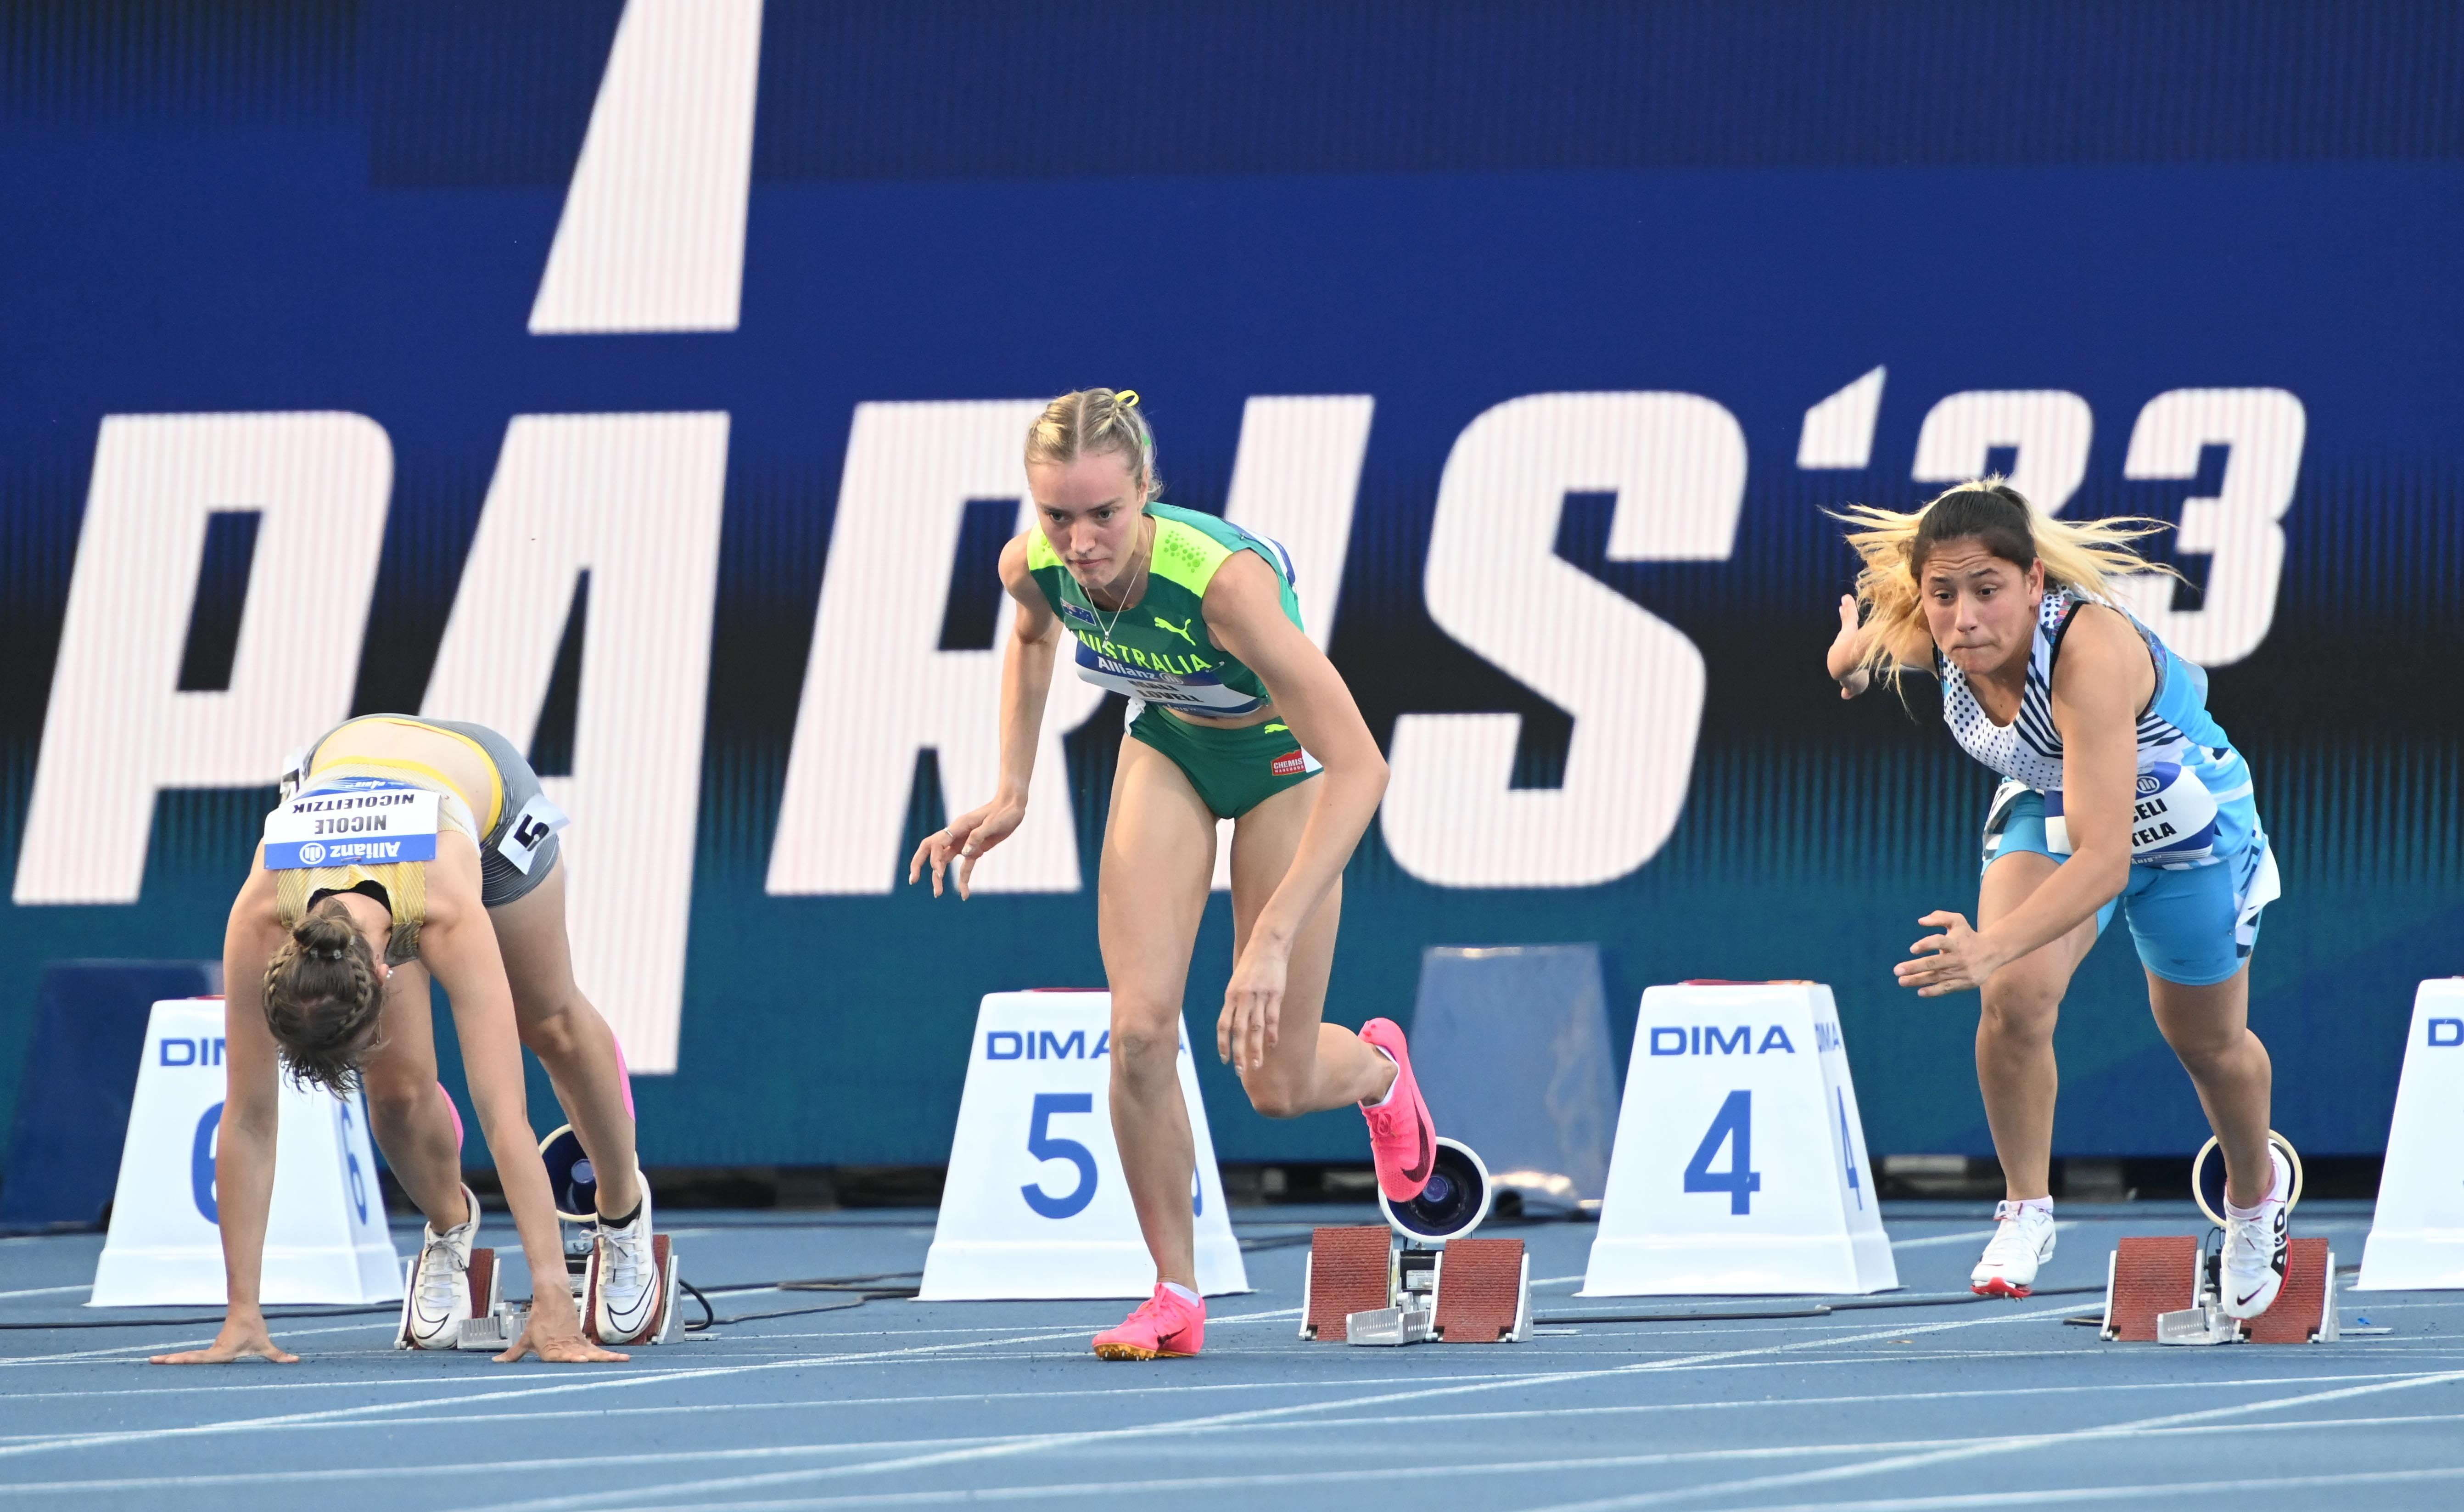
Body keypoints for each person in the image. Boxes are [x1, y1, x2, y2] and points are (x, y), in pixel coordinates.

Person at [911, 388, 1436, 1360]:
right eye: (1056, 516)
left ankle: (1379, 1072)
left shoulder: (1223, 587)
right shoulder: (1033, 566)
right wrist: (1014, 787)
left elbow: (1362, 766)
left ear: (1144, 493)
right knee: (1140, 1032)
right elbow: (1030, 637)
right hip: (1169, 749)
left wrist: (1268, 936)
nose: (1079, 542)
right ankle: (1173, 1293)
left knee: (1273, 1082)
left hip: (1286, 767)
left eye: (1103, 515)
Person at [1826, 479, 2289, 1314]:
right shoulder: (1939, 632)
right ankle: (2027, 1207)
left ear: (2035, 583)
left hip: (2183, 823)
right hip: (2052, 802)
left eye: (1987, 591)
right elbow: (1854, 656)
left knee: (2208, 1044)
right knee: (2015, 995)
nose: (1965, 618)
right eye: (1943, 595)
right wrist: (1849, 665)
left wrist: (1989, 943)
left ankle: (2255, 1202)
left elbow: (2107, 861)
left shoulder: (2089, 649)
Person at [153, 714, 659, 1366]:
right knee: (393, 1090)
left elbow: (506, 1119)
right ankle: (451, 1225)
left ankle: (621, 1210)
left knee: (549, 1022)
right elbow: (248, 1118)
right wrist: (242, 1315)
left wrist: (552, 1298)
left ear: (387, 974)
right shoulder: (260, 916)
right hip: (349, 766)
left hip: (484, 797)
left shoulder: (446, 911)